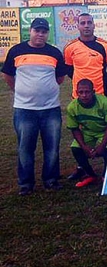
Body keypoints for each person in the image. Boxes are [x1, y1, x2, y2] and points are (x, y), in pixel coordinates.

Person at [1, 18, 68, 195]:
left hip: (51, 109)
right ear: (30, 31)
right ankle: (26, 184)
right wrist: (20, 90)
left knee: (52, 147)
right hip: (24, 110)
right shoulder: (16, 51)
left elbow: (60, 78)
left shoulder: (54, 53)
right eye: (37, 30)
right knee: (25, 148)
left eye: (44, 31)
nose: (40, 34)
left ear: (47, 33)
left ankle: (51, 180)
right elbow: (7, 74)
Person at [66, 79, 107, 188]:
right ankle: (89, 174)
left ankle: (106, 175)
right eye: (81, 92)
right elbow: (75, 129)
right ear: (76, 93)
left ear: (93, 92)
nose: (84, 95)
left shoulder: (104, 102)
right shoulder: (72, 107)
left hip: (104, 132)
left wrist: (101, 146)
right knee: (75, 148)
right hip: (88, 133)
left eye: (87, 92)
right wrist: (84, 147)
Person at [63, 12, 107, 99]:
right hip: (78, 96)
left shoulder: (106, 46)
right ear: (78, 26)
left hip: (100, 94)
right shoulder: (70, 47)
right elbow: (69, 70)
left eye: (89, 23)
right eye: (83, 23)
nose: (86, 26)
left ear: (94, 25)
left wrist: (102, 80)